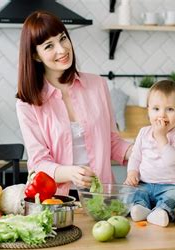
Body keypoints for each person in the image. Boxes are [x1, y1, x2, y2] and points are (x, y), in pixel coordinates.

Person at [16, 11, 133, 197]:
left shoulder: (98, 85)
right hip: (57, 200)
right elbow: (39, 162)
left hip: (103, 196)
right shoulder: (27, 103)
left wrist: (145, 151)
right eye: (49, 46)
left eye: (63, 38)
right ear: (36, 56)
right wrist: (71, 172)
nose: (62, 49)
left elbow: (112, 141)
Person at [124, 80, 175, 227]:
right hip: (145, 183)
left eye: (170, 109)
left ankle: (162, 212)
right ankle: (140, 208)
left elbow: (170, 160)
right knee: (131, 192)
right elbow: (136, 156)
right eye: (156, 109)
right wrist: (132, 173)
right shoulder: (143, 132)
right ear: (148, 111)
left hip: (173, 185)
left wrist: (161, 137)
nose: (162, 115)